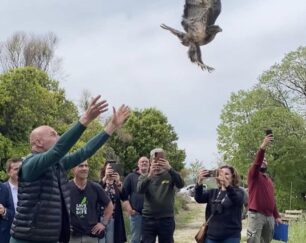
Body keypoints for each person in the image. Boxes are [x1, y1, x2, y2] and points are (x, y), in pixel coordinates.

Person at [9, 95, 130, 243]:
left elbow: (84, 152)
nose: (58, 137)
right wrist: (85, 119)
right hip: (27, 240)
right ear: (38, 142)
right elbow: (59, 150)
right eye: (53, 134)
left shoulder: (56, 165)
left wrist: (112, 126)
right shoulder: (29, 164)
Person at [137, 148, 185, 243]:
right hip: (148, 219)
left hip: (166, 218)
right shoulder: (144, 176)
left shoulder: (170, 175)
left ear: (165, 159)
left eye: (160, 160)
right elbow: (139, 190)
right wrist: (149, 176)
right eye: (155, 160)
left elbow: (181, 184)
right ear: (150, 161)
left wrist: (170, 169)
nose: (158, 163)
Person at [195, 165, 244, 243]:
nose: (223, 177)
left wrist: (227, 186)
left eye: (226, 174)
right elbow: (199, 198)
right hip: (212, 237)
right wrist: (199, 183)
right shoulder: (213, 192)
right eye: (221, 174)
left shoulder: (239, 192)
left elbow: (237, 200)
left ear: (233, 177)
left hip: (231, 237)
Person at [247, 135, 282, 243]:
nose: (264, 161)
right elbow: (257, 162)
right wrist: (263, 146)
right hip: (256, 215)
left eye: (266, 160)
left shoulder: (268, 180)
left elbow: (272, 199)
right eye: (262, 160)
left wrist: (277, 216)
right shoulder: (253, 175)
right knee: (253, 241)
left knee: (266, 241)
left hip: (269, 216)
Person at [69, 160, 114, 243]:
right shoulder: (66, 188)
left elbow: (109, 205)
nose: (84, 168)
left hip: (91, 235)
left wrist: (103, 223)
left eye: (86, 166)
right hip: (72, 236)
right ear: (73, 170)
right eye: (81, 166)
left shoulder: (95, 187)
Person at [122, 156, 150, 243]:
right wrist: (129, 209)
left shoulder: (152, 176)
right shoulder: (131, 177)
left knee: (148, 240)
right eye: (142, 162)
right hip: (136, 214)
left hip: (151, 215)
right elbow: (123, 195)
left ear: (149, 165)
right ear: (138, 164)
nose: (144, 163)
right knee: (135, 239)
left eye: (146, 162)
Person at [99, 161, 127, 243]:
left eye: (113, 169)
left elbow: (124, 197)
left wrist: (118, 182)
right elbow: (95, 193)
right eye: (109, 169)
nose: (111, 171)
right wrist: (105, 178)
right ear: (105, 170)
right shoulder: (100, 184)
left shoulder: (117, 185)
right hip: (101, 218)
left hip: (114, 219)